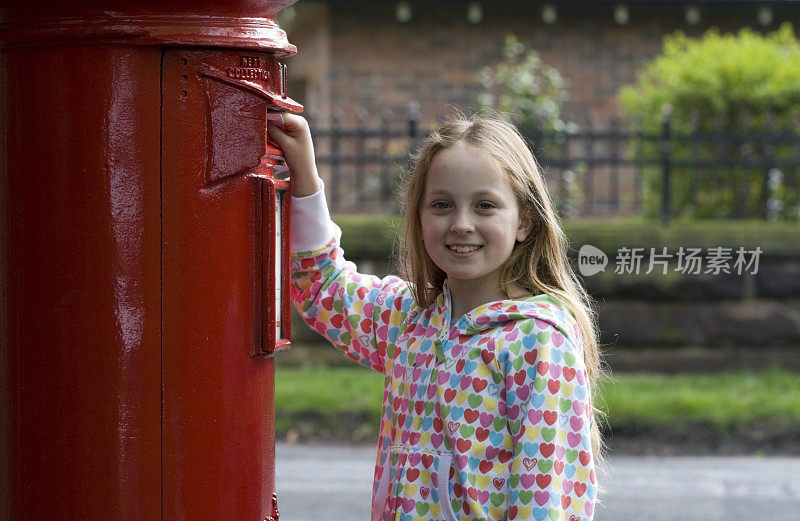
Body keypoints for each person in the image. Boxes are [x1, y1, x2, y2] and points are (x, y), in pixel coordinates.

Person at [268, 112, 602, 521]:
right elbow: (323, 287)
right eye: (442, 205)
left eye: (485, 206)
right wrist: (304, 173)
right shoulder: (407, 319)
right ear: (420, 219)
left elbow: (546, 502)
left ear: (524, 222)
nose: (461, 224)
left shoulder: (538, 342)